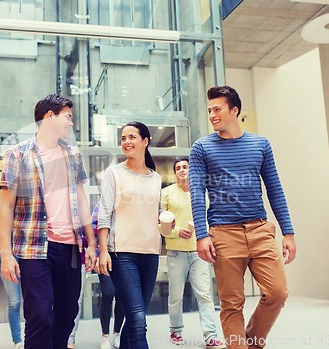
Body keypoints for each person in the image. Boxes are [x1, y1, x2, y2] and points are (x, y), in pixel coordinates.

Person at [189, 85, 297, 349]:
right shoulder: (201, 148)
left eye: (217, 109)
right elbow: (196, 193)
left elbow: (275, 189)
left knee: (277, 293)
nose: (212, 115)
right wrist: (202, 235)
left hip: (260, 230)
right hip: (224, 234)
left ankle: (250, 342)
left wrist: (288, 232)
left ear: (234, 110)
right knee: (232, 303)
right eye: (209, 110)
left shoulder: (260, 144)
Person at [0, 94, 97, 349]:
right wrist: (7, 254)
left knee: (66, 314)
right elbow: (6, 207)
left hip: (70, 248)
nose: (70, 124)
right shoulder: (17, 155)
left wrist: (91, 244)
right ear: (50, 116)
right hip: (33, 247)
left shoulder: (72, 155)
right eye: (68, 117)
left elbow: (82, 200)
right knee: (40, 315)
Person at [98, 121, 162, 349]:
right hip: (122, 254)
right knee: (137, 319)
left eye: (132, 137)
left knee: (136, 318)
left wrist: (168, 222)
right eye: (123, 138)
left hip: (150, 253)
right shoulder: (113, 173)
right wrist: (103, 251)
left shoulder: (155, 178)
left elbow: (156, 213)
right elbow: (104, 214)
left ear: (145, 141)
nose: (126, 142)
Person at [161, 157, 226, 349]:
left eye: (185, 167)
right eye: (178, 168)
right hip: (175, 252)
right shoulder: (166, 193)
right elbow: (160, 226)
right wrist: (176, 231)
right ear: (175, 173)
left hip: (199, 252)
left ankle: (211, 336)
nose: (182, 170)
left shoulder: (202, 192)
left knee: (204, 294)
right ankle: (176, 330)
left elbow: (211, 218)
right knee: (176, 296)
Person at [92, 203, 124, 349]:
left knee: (122, 295)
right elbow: (93, 233)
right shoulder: (100, 207)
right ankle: (105, 335)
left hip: (123, 255)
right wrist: (98, 256)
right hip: (105, 256)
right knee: (108, 293)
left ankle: (117, 333)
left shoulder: (125, 205)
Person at [0, 252, 23, 349]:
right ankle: (17, 341)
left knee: (35, 300)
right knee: (14, 302)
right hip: (9, 255)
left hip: (29, 254)